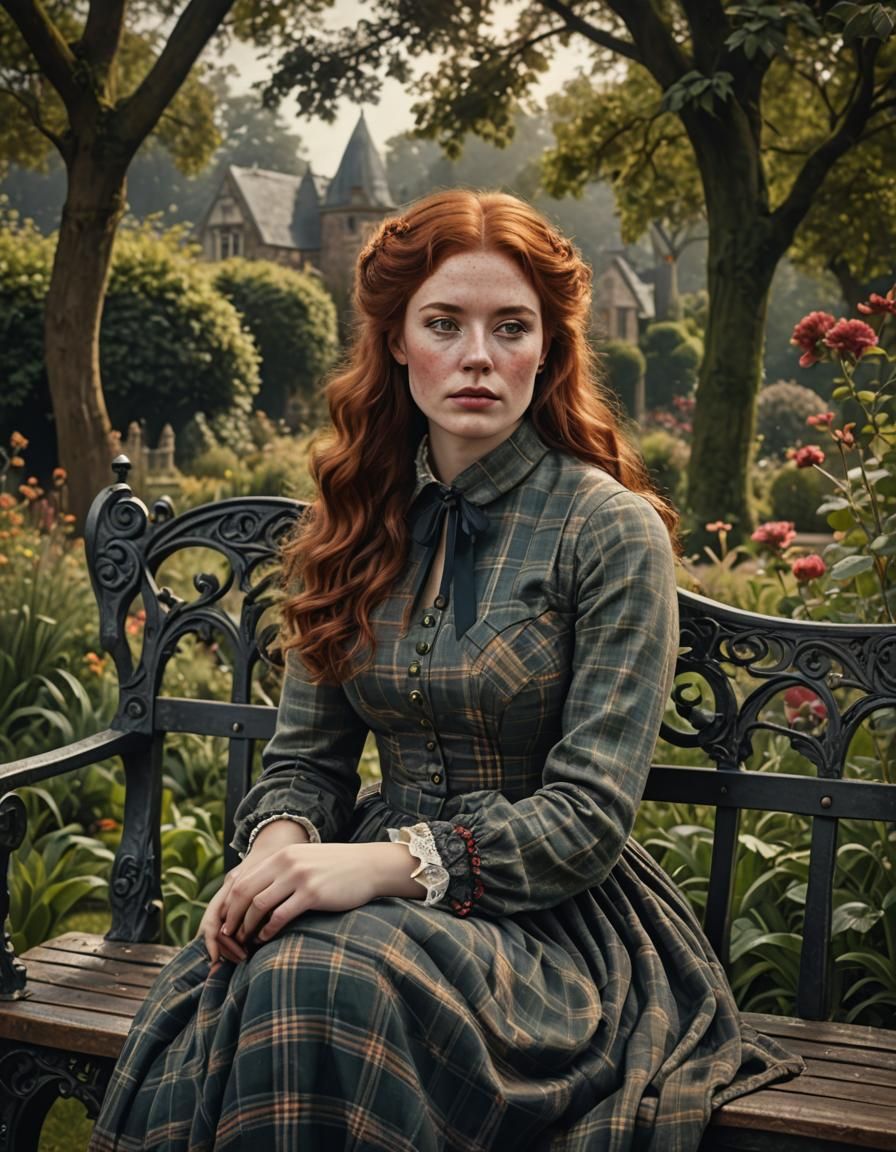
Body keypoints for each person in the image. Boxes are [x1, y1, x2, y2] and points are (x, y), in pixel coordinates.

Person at [89, 190, 802, 1152]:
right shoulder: (347, 522)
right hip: (370, 905)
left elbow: (587, 819)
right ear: (395, 342)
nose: (478, 356)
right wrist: (278, 853)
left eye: (511, 327)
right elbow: (305, 762)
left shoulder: (608, 529)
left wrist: (380, 867)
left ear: (548, 349)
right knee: (280, 967)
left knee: (317, 976)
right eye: (443, 323)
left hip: (554, 932)